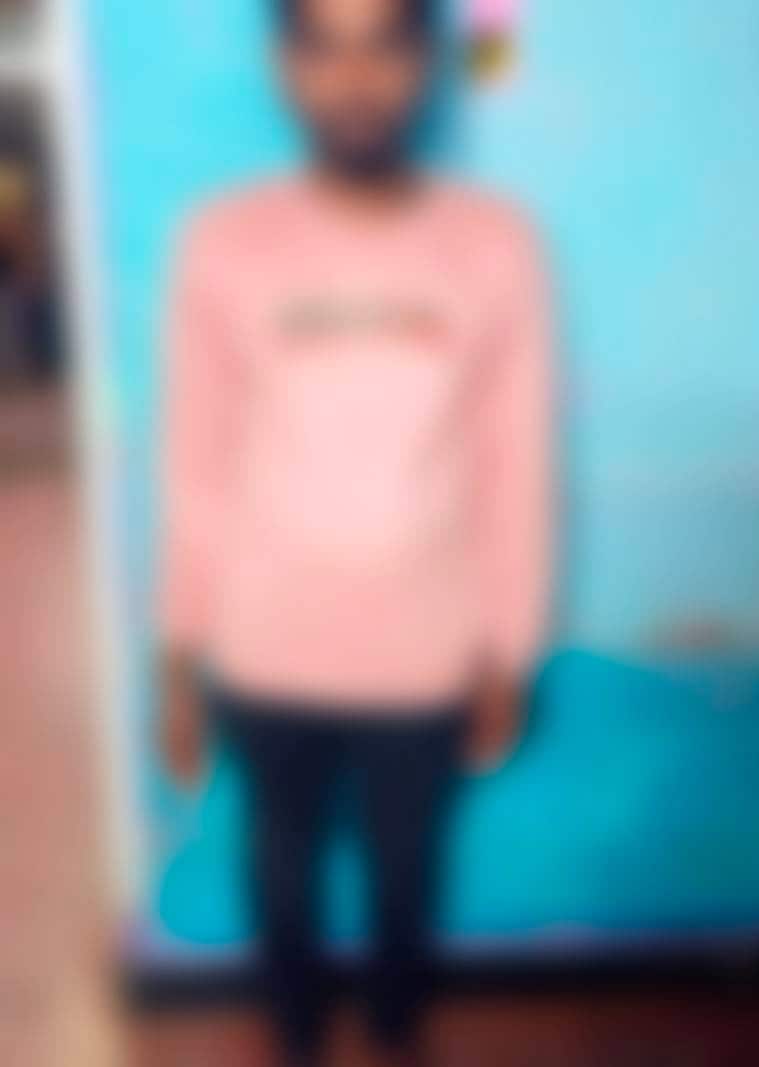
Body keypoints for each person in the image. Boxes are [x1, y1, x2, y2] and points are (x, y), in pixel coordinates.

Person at [158, 0, 553, 1063]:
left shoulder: (493, 244)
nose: (355, 82)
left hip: (423, 646)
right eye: (324, 50)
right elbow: (197, 459)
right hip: (266, 640)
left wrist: (508, 646)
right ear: (283, 67)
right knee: (279, 863)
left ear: (425, 62)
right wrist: (179, 649)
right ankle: (294, 1036)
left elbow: (514, 463)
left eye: (382, 47)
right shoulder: (224, 240)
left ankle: (392, 1030)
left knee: (405, 866)